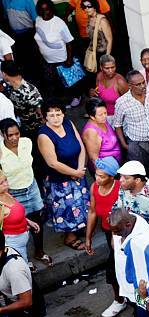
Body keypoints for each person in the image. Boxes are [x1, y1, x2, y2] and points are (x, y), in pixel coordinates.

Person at [37, 101, 89, 250]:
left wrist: (80, 168)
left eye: (58, 113)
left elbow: (80, 146)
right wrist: (74, 173)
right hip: (60, 180)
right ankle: (70, 236)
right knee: (67, 208)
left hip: (78, 173)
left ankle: (81, 226)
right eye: (51, 115)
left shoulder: (68, 123)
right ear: (45, 116)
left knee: (80, 203)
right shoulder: (44, 135)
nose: (55, 118)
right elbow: (52, 162)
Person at [0, 119, 49, 267]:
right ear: (3, 135)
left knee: (37, 220)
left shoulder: (27, 142)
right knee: (18, 226)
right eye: (10, 135)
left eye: (17, 133)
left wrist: (41, 185)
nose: (15, 138)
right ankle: (23, 260)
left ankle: (39, 251)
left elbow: (36, 163)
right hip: (13, 193)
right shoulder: (0, 152)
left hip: (31, 186)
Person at [113, 70, 149, 192]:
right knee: (141, 174)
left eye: (143, 82)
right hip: (136, 144)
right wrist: (125, 145)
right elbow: (117, 125)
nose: (142, 86)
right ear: (130, 86)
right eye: (138, 84)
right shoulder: (122, 102)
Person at [84, 156, 123, 317]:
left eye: (102, 176)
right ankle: (124, 298)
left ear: (112, 177)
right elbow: (93, 212)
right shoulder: (94, 187)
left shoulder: (121, 188)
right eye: (97, 174)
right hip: (109, 234)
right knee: (117, 267)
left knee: (113, 269)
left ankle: (121, 301)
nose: (97, 178)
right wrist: (88, 237)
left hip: (122, 234)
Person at [34, 0, 77, 102]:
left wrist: (69, 59)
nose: (44, 12)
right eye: (41, 10)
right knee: (52, 81)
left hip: (61, 59)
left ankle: (74, 98)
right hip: (46, 60)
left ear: (52, 9)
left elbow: (69, 42)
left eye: (47, 9)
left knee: (67, 81)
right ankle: (58, 101)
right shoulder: (38, 20)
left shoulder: (59, 23)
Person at [113, 160, 149, 228]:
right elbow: (118, 207)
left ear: (137, 180)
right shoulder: (124, 188)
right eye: (120, 176)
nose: (121, 180)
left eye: (126, 178)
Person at [0, 61, 44, 142]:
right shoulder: (10, 86)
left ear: (4, 73)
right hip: (23, 127)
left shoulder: (28, 90)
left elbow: (40, 110)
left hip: (36, 128)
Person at [82, 97, 121, 169]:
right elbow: (94, 159)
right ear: (92, 117)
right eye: (100, 115)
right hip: (105, 170)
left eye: (105, 112)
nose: (105, 116)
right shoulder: (91, 132)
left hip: (115, 165)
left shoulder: (102, 121)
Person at [90, 55, 128, 123]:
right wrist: (92, 92)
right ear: (101, 67)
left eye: (112, 67)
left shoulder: (120, 81)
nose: (110, 70)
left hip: (117, 118)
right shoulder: (99, 76)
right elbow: (97, 92)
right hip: (103, 116)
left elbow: (128, 102)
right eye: (107, 68)